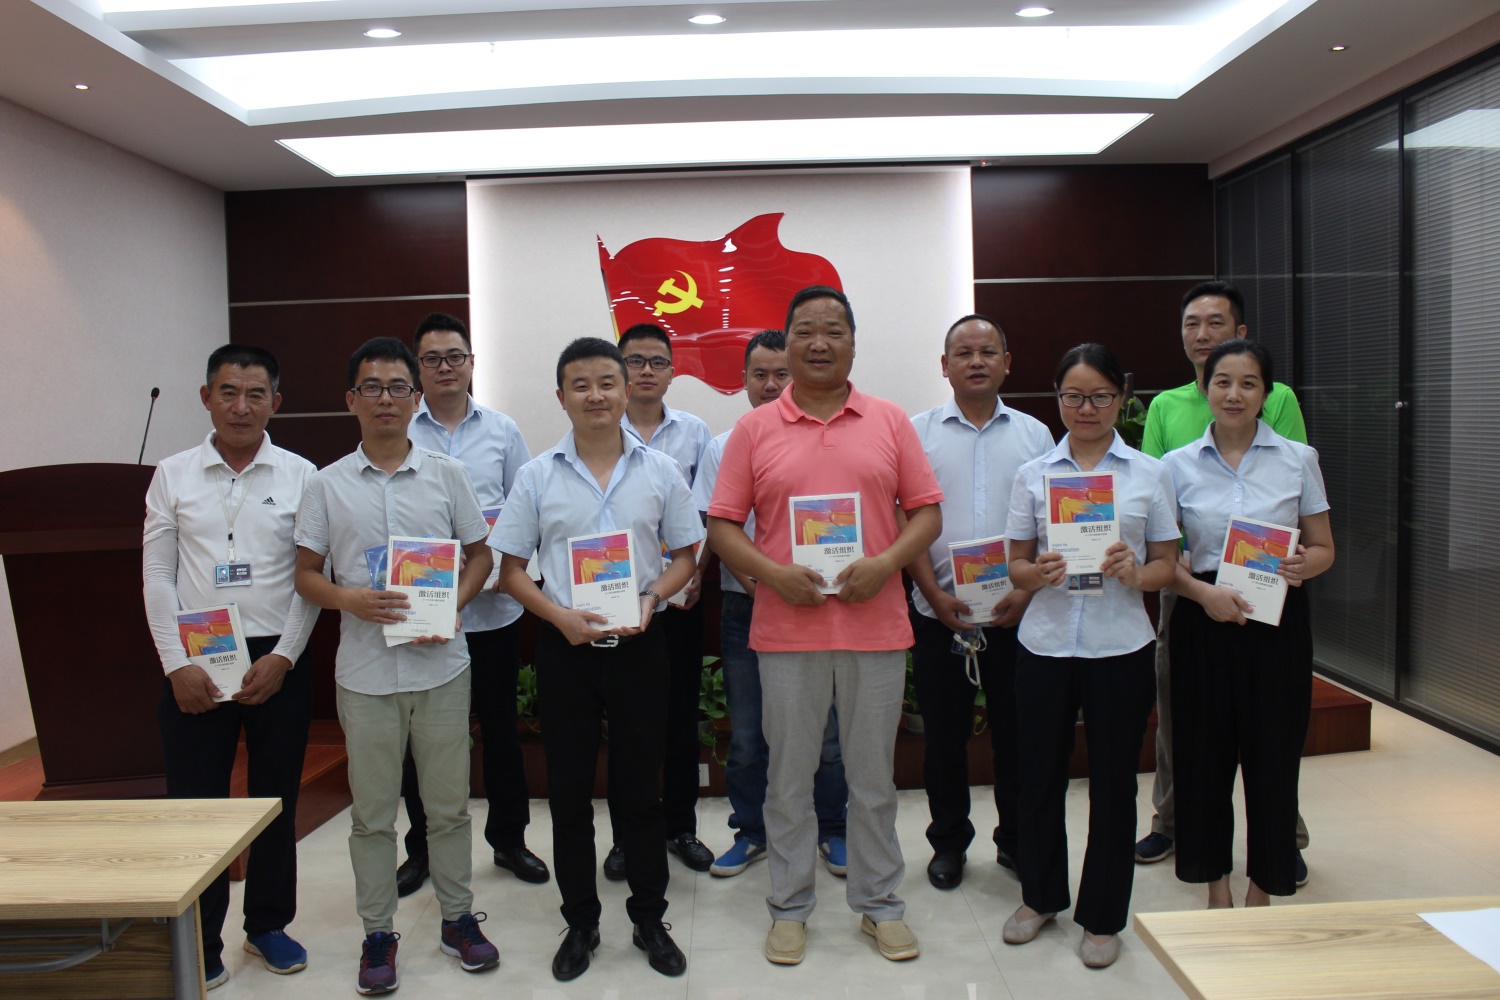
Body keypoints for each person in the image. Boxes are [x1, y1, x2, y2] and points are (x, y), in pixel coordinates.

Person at [707, 286, 944, 966]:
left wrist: (886, 564)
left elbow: (926, 512)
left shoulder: (889, 421)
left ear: (853, 344)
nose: (819, 342)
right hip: (787, 633)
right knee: (788, 779)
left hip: (876, 628)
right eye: (805, 330)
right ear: (786, 343)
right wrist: (771, 575)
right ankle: (789, 908)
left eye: (834, 330)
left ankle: (880, 905)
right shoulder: (754, 430)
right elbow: (722, 525)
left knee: (872, 779)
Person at [490, 337, 703, 982]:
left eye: (607, 382)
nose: (596, 395)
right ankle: (580, 920)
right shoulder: (536, 475)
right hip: (566, 650)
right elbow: (511, 570)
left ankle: (648, 917)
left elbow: (686, 556)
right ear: (561, 397)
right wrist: (558, 617)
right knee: (570, 794)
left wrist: (652, 598)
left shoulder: (660, 470)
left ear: (626, 389)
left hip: (641, 646)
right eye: (580, 385)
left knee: (641, 791)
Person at [294, 337, 499, 995]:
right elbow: (305, 574)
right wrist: (349, 598)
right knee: (373, 815)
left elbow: (481, 555)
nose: (385, 398)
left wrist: (454, 604)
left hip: (442, 668)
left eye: (397, 387)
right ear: (350, 399)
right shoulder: (325, 484)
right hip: (366, 675)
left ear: (416, 399)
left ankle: (458, 919)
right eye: (372, 387)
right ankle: (378, 933)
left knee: (448, 808)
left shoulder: (447, 474)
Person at [143, 345, 317, 990]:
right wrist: (175, 664)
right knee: (197, 806)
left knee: (275, 798)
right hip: (198, 652)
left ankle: (267, 923)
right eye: (228, 392)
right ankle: (200, 935)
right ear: (206, 397)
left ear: (276, 402)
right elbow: (157, 576)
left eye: (255, 394)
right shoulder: (173, 474)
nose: (241, 406)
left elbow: (310, 578)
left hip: (276, 654)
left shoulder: (302, 475)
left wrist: (284, 656)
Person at [1003, 343, 1179, 969]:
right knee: (1038, 776)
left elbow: (1167, 564)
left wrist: (1138, 572)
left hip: (1119, 646)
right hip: (1046, 645)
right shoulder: (1033, 474)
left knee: (1113, 785)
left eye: (1100, 396)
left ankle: (1103, 917)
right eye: (1074, 396)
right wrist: (1037, 572)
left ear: (1121, 399)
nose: (1086, 408)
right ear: (1057, 398)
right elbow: (1015, 565)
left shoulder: (1150, 474)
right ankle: (1040, 897)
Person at [1135, 280, 1313, 886]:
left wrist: (1297, 561)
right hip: (1193, 589)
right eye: (1192, 322)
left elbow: (1304, 517)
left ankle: (1278, 847)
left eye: (1215, 322)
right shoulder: (1169, 422)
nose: (1202, 333)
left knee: (1273, 737)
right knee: (1191, 732)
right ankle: (1182, 834)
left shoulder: (1285, 425)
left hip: (1271, 594)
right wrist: (1193, 580)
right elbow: (1157, 511)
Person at [1163, 338, 1334, 908]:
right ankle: (1217, 885)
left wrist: (1305, 564)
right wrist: (1201, 593)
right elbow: (1162, 561)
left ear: (1267, 393)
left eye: (1248, 383)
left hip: (1277, 622)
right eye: (1223, 382)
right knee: (1203, 756)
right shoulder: (1175, 465)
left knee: (1273, 756)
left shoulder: (1297, 459)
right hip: (1202, 617)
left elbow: (1324, 547)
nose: (1234, 394)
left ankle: (1263, 887)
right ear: (1206, 388)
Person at [395, 312, 546, 897]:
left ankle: (509, 840)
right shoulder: (403, 428)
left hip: (493, 612)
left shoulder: (502, 431)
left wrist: (500, 569)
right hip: (425, 611)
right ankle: (423, 848)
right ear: (418, 369)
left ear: (471, 363)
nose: (444, 367)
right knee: (424, 736)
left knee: (501, 730)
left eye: (454, 356)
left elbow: (523, 508)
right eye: (432, 359)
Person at [692, 330, 850, 879]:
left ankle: (833, 829)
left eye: (781, 373)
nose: (770, 384)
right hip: (747, 607)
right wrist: (763, 586)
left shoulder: (823, 438)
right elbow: (719, 529)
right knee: (748, 735)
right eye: (759, 374)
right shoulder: (724, 445)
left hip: (819, 607)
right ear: (742, 381)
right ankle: (752, 833)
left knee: (827, 733)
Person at [906, 315, 1052, 890]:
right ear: (944, 366)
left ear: (1006, 362)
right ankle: (948, 844)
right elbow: (904, 520)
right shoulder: (917, 433)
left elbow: (1048, 523)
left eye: (987, 351)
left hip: (1019, 613)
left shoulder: (1036, 435)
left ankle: (1014, 841)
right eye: (963, 353)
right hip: (940, 612)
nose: (976, 361)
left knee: (1018, 734)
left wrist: (1025, 591)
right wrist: (932, 594)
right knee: (944, 739)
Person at [600, 322, 716, 879]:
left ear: (673, 372)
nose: (646, 371)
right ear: (619, 370)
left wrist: (698, 575)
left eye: (657, 362)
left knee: (679, 716)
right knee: (625, 724)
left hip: (680, 601)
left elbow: (711, 516)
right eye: (635, 360)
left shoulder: (695, 434)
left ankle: (680, 828)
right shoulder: (601, 428)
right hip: (618, 602)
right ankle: (625, 838)